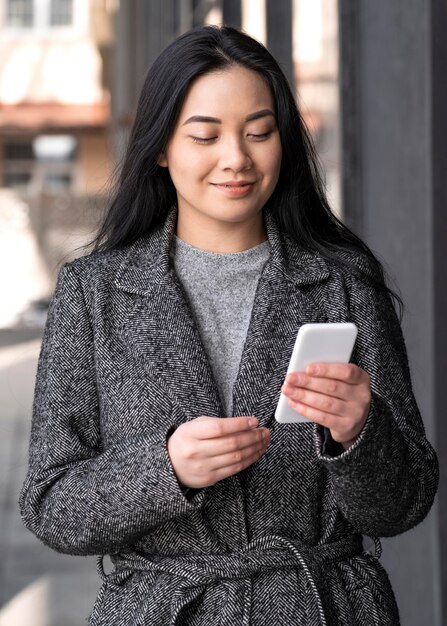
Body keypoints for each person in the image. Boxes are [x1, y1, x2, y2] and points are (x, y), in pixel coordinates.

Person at [19, 25, 438, 626]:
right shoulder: (93, 294)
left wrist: (360, 433)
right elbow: (50, 505)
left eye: (259, 133)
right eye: (205, 135)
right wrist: (164, 469)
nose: (236, 158)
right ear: (162, 146)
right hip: (162, 610)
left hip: (322, 608)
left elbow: (406, 504)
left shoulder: (343, 283)